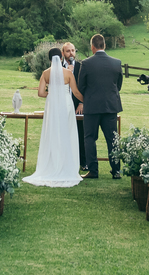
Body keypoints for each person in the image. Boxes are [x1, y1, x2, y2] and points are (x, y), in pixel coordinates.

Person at [23, 49, 84, 187]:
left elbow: (40, 93)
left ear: (49, 58)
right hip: (66, 104)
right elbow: (75, 92)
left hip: (52, 105)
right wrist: (85, 101)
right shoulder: (68, 73)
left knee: (53, 133)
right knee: (67, 132)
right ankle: (68, 165)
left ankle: (52, 163)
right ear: (62, 56)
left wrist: (51, 94)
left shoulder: (45, 73)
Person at [77, 34, 124, 180]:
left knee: (90, 138)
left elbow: (81, 86)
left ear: (92, 47)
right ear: (104, 45)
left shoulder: (86, 63)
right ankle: (116, 171)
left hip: (91, 106)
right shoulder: (116, 63)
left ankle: (93, 171)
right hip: (110, 106)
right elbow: (119, 85)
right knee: (112, 139)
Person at [60, 42, 86, 171]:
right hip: (62, 105)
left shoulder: (82, 67)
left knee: (81, 133)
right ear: (63, 53)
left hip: (77, 106)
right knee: (63, 133)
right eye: (68, 51)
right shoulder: (58, 67)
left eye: (73, 51)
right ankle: (64, 161)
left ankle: (83, 161)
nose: (71, 53)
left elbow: (85, 86)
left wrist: (82, 103)